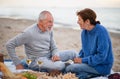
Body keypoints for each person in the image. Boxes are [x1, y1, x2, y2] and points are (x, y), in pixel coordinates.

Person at [6, 10, 78, 72]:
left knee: (73, 53)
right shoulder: (29, 33)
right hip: (37, 61)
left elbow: (54, 47)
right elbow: (9, 45)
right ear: (40, 22)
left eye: (52, 22)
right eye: (49, 22)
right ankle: (67, 66)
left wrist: (55, 55)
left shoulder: (49, 30)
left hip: (50, 56)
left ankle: (64, 66)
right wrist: (17, 63)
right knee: (59, 66)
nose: (52, 24)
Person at [65, 8, 114, 79]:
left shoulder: (101, 32)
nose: (77, 22)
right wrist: (79, 58)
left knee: (70, 68)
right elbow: (84, 50)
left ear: (87, 21)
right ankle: (86, 75)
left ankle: (90, 75)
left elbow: (101, 56)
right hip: (89, 63)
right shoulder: (84, 32)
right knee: (68, 67)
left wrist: (82, 60)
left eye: (79, 19)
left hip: (101, 66)